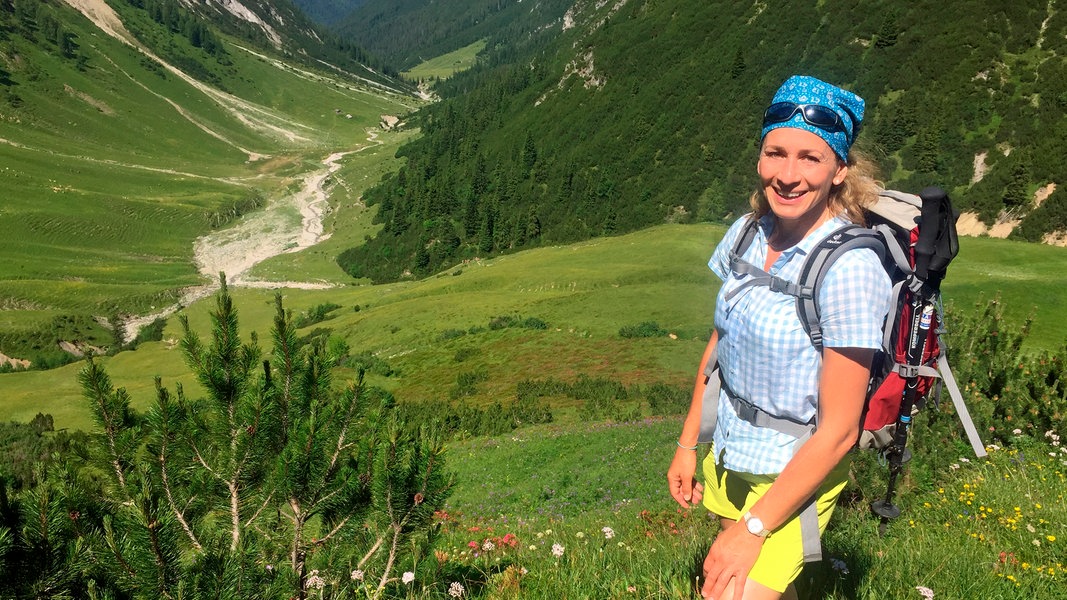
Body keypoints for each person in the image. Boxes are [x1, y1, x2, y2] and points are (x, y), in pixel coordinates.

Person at [666, 75, 892, 600]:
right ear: (760, 157)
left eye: (810, 159)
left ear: (840, 171)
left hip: (796, 469)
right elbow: (719, 345)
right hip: (731, 452)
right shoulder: (749, 230)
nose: (788, 176)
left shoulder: (850, 268)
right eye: (776, 153)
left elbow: (839, 429)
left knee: (727, 593)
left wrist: (752, 529)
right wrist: (688, 444)